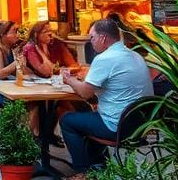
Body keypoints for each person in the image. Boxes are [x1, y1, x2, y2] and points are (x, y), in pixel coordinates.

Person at [60, 18, 153, 178]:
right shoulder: (135, 55)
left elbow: (85, 93)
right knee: (88, 115)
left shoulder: (104, 58)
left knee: (67, 120)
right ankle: (99, 166)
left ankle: (83, 172)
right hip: (141, 125)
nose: (91, 42)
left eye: (92, 37)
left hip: (117, 127)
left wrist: (69, 80)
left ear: (103, 38)